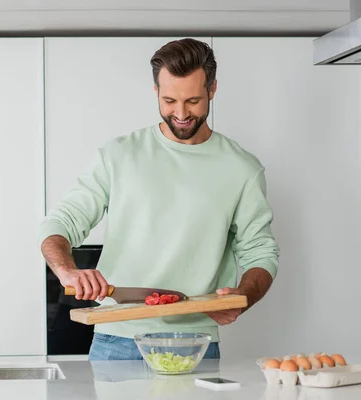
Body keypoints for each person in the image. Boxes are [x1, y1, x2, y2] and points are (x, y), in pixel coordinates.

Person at [38, 38, 279, 361]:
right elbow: (61, 222)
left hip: (195, 343)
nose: (180, 113)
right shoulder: (119, 155)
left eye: (193, 100)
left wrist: (242, 297)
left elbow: (261, 253)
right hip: (117, 340)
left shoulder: (242, 169)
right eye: (169, 100)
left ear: (213, 89)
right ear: (155, 92)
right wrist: (67, 271)